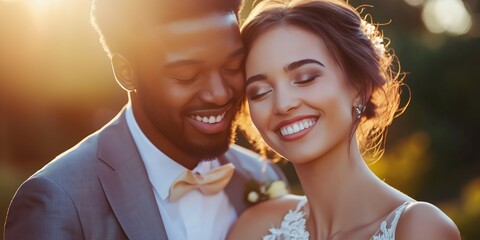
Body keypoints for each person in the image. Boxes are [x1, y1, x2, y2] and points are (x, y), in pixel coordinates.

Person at [4, 0, 288, 239]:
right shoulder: (58, 200)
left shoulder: (261, 178)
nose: (219, 93)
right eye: (187, 76)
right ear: (126, 72)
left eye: (232, 66)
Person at [228, 0, 461, 239]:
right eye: (259, 92)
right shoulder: (255, 228)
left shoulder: (418, 227)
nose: (283, 104)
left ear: (358, 87)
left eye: (306, 78)